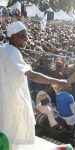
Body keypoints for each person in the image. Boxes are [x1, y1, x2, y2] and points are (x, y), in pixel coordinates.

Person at [0, 21, 67, 150]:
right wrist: (58, 81)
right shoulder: (12, 52)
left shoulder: (4, 49)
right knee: (10, 134)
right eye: (23, 36)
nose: (26, 38)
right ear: (13, 36)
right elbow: (32, 75)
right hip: (10, 101)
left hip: (5, 98)